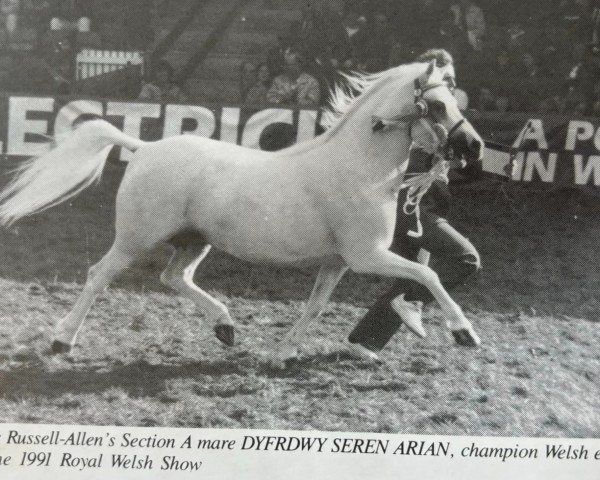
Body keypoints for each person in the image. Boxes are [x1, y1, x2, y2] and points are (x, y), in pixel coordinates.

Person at [347, 49, 482, 361]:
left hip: (424, 204)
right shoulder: (413, 117)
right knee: (466, 259)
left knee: (412, 274)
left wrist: (484, 164)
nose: (450, 84)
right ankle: (409, 302)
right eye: (445, 78)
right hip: (409, 206)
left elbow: (456, 165)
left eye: (452, 80)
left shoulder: (440, 119)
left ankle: (364, 341)